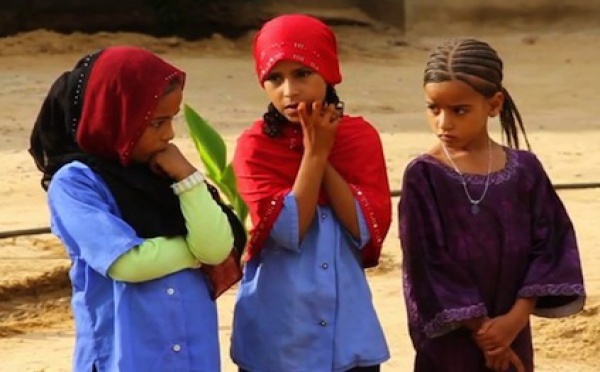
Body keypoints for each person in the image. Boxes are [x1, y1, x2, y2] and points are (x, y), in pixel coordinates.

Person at [29, 46, 246, 372]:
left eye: (171, 120)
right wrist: (197, 250)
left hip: (190, 357)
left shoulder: (165, 172)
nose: (169, 134)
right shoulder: (75, 184)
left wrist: (189, 180)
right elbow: (128, 263)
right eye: (156, 122)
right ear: (114, 118)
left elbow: (217, 250)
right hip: (123, 357)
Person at [398, 38, 586, 372]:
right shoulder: (424, 175)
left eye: (459, 110)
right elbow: (427, 263)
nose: (444, 123)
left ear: (494, 104)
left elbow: (551, 245)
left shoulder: (525, 170)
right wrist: (485, 332)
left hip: (513, 330)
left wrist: (513, 321)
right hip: (451, 340)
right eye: (433, 108)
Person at [231, 14, 392, 372]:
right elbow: (290, 231)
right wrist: (315, 153)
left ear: (328, 71)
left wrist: (322, 148)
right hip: (278, 335)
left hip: (347, 334)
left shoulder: (359, 138)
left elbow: (365, 227)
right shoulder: (255, 146)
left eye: (302, 73)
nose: (289, 91)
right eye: (275, 78)